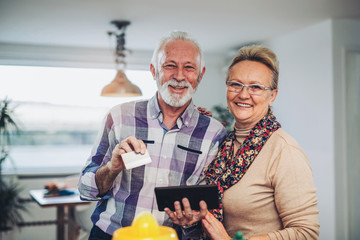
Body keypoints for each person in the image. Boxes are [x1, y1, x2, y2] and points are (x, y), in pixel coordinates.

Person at [78, 30, 227, 239]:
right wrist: (112, 168)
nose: (179, 76)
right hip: (110, 234)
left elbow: (209, 203)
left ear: (200, 75)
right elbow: (86, 190)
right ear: (153, 70)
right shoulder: (119, 116)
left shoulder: (214, 133)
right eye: (170, 65)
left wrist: (192, 219)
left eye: (189, 68)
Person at [165, 45, 320, 240]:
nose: (243, 94)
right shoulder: (225, 143)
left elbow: (306, 233)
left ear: (272, 96)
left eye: (256, 87)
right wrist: (192, 221)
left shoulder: (284, 150)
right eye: (236, 84)